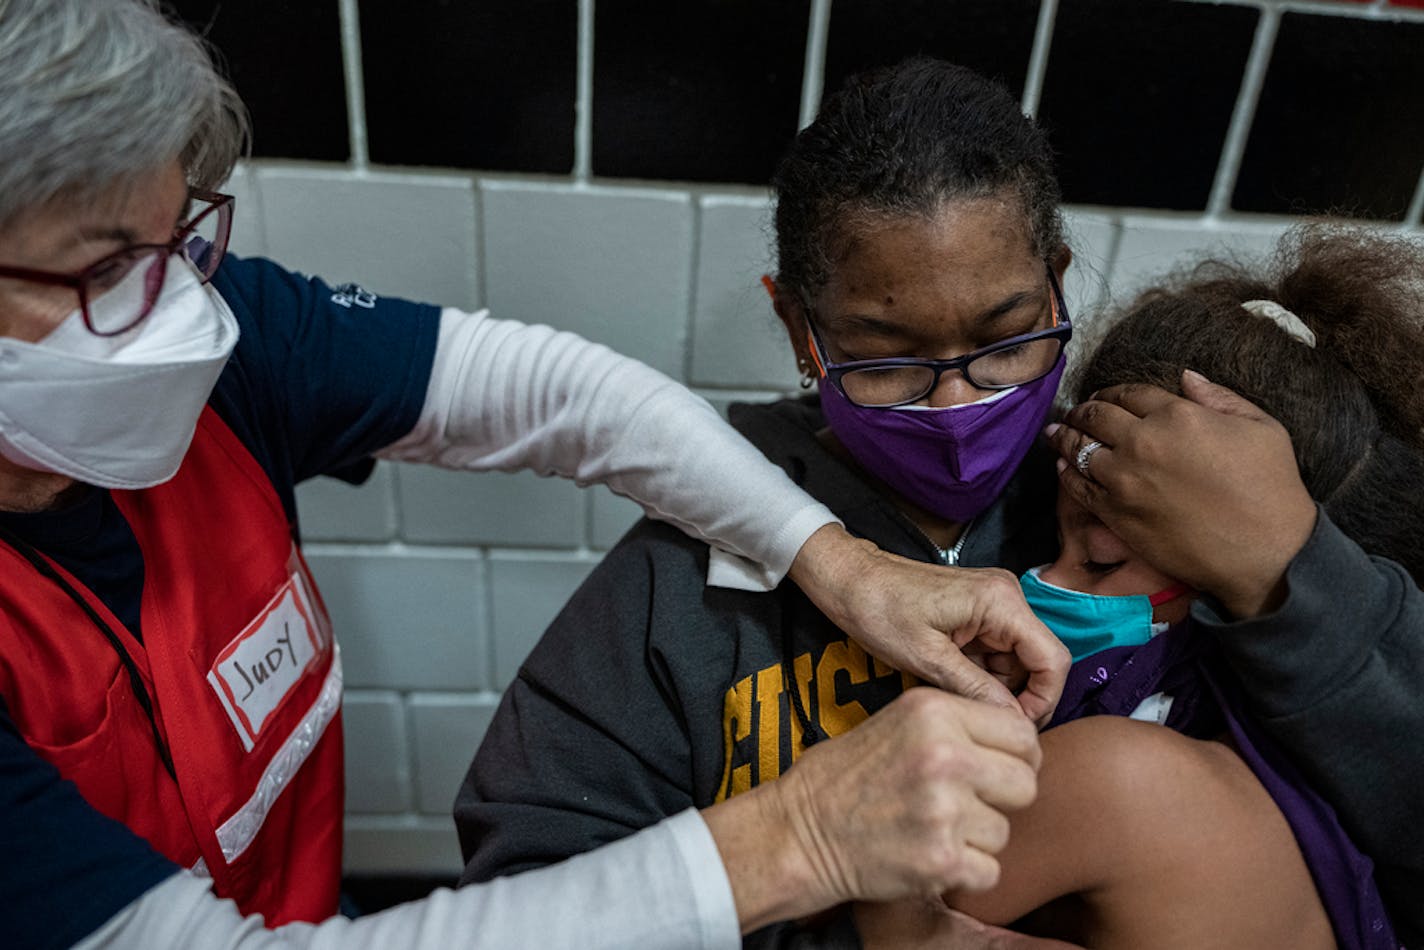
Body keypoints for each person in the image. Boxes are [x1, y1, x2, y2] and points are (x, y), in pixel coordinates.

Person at [0, 5, 1071, 948]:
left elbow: (562, 396)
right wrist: (798, 837)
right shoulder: (658, 615)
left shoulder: (234, 339)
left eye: (181, 241)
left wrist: (833, 561)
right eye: (101, 269)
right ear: (800, 326)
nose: (184, 315)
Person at [455, 59, 1424, 948]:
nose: (957, 405)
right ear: (799, 323)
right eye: (888, 358)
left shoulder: (1136, 498)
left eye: (1005, 340)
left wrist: (1288, 566)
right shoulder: (677, 587)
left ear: (1053, 279)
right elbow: (534, 885)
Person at [861, 225, 1420, 948]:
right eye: (1049, 544)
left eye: (1097, 564)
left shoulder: (1109, 780)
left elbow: (829, 888)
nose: (1033, 586)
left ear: (1233, 601)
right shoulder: (1314, 813)